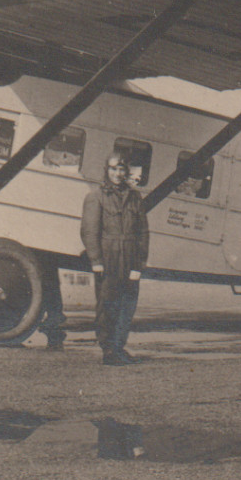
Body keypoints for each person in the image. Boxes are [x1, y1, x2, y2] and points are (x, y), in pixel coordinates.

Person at [81, 152, 150, 366]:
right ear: (106, 170)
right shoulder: (96, 196)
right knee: (107, 305)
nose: (118, 174)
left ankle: (119, 346)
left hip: (130, 257)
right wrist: (96, 260)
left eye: (121, 170)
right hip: (108, 257)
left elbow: (143, 232)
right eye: (113, 169)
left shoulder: (134, 197)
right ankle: (108, 349)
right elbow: (89, 232)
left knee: (127, 304)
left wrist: (139, 264)